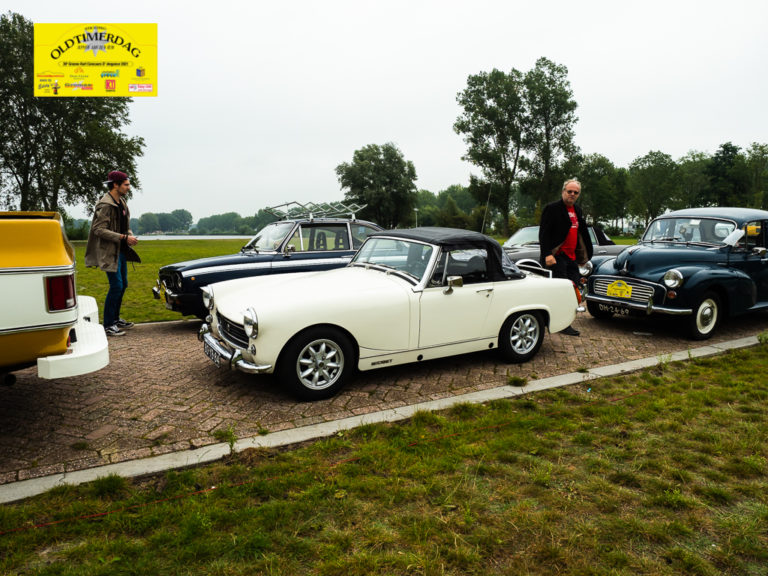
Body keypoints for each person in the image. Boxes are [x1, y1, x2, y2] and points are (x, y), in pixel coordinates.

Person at [85, 170, 141, 336]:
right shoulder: (105, 205)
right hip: (109, 252)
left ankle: (115, 319)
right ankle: (108, 324)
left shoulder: (122, 202)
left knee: (123, 285)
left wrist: (128, 234)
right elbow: (98, 229)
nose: (129, 187)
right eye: (126, 184)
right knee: (116, 286)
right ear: (115, 185)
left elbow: (126, 225)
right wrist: (123, 237)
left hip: (121, 251)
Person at [538, 178, 593, 336]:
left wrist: (584, 254)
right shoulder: (552, 209)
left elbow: (581, 233)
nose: (572, 194)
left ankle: (565, 321)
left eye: (576, 192)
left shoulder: (578, 210)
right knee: (562, 291)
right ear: (563, 192)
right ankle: (560, 324)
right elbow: (544, 233)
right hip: (557, 257)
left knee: (573, 290)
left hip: (571, 258)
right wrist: (547, 253)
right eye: (569, 191)